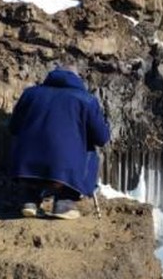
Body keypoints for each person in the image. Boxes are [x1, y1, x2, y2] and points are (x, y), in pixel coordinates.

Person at [8, 64, 110, 219]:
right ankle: (64, 202)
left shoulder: (30, 94)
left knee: (25, 142)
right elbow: (102, 139)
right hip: (63, 169)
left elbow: (13, 128)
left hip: (26, 166)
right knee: (90, 151)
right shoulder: (87, 100)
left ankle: (29, 200)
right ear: (77, 78)